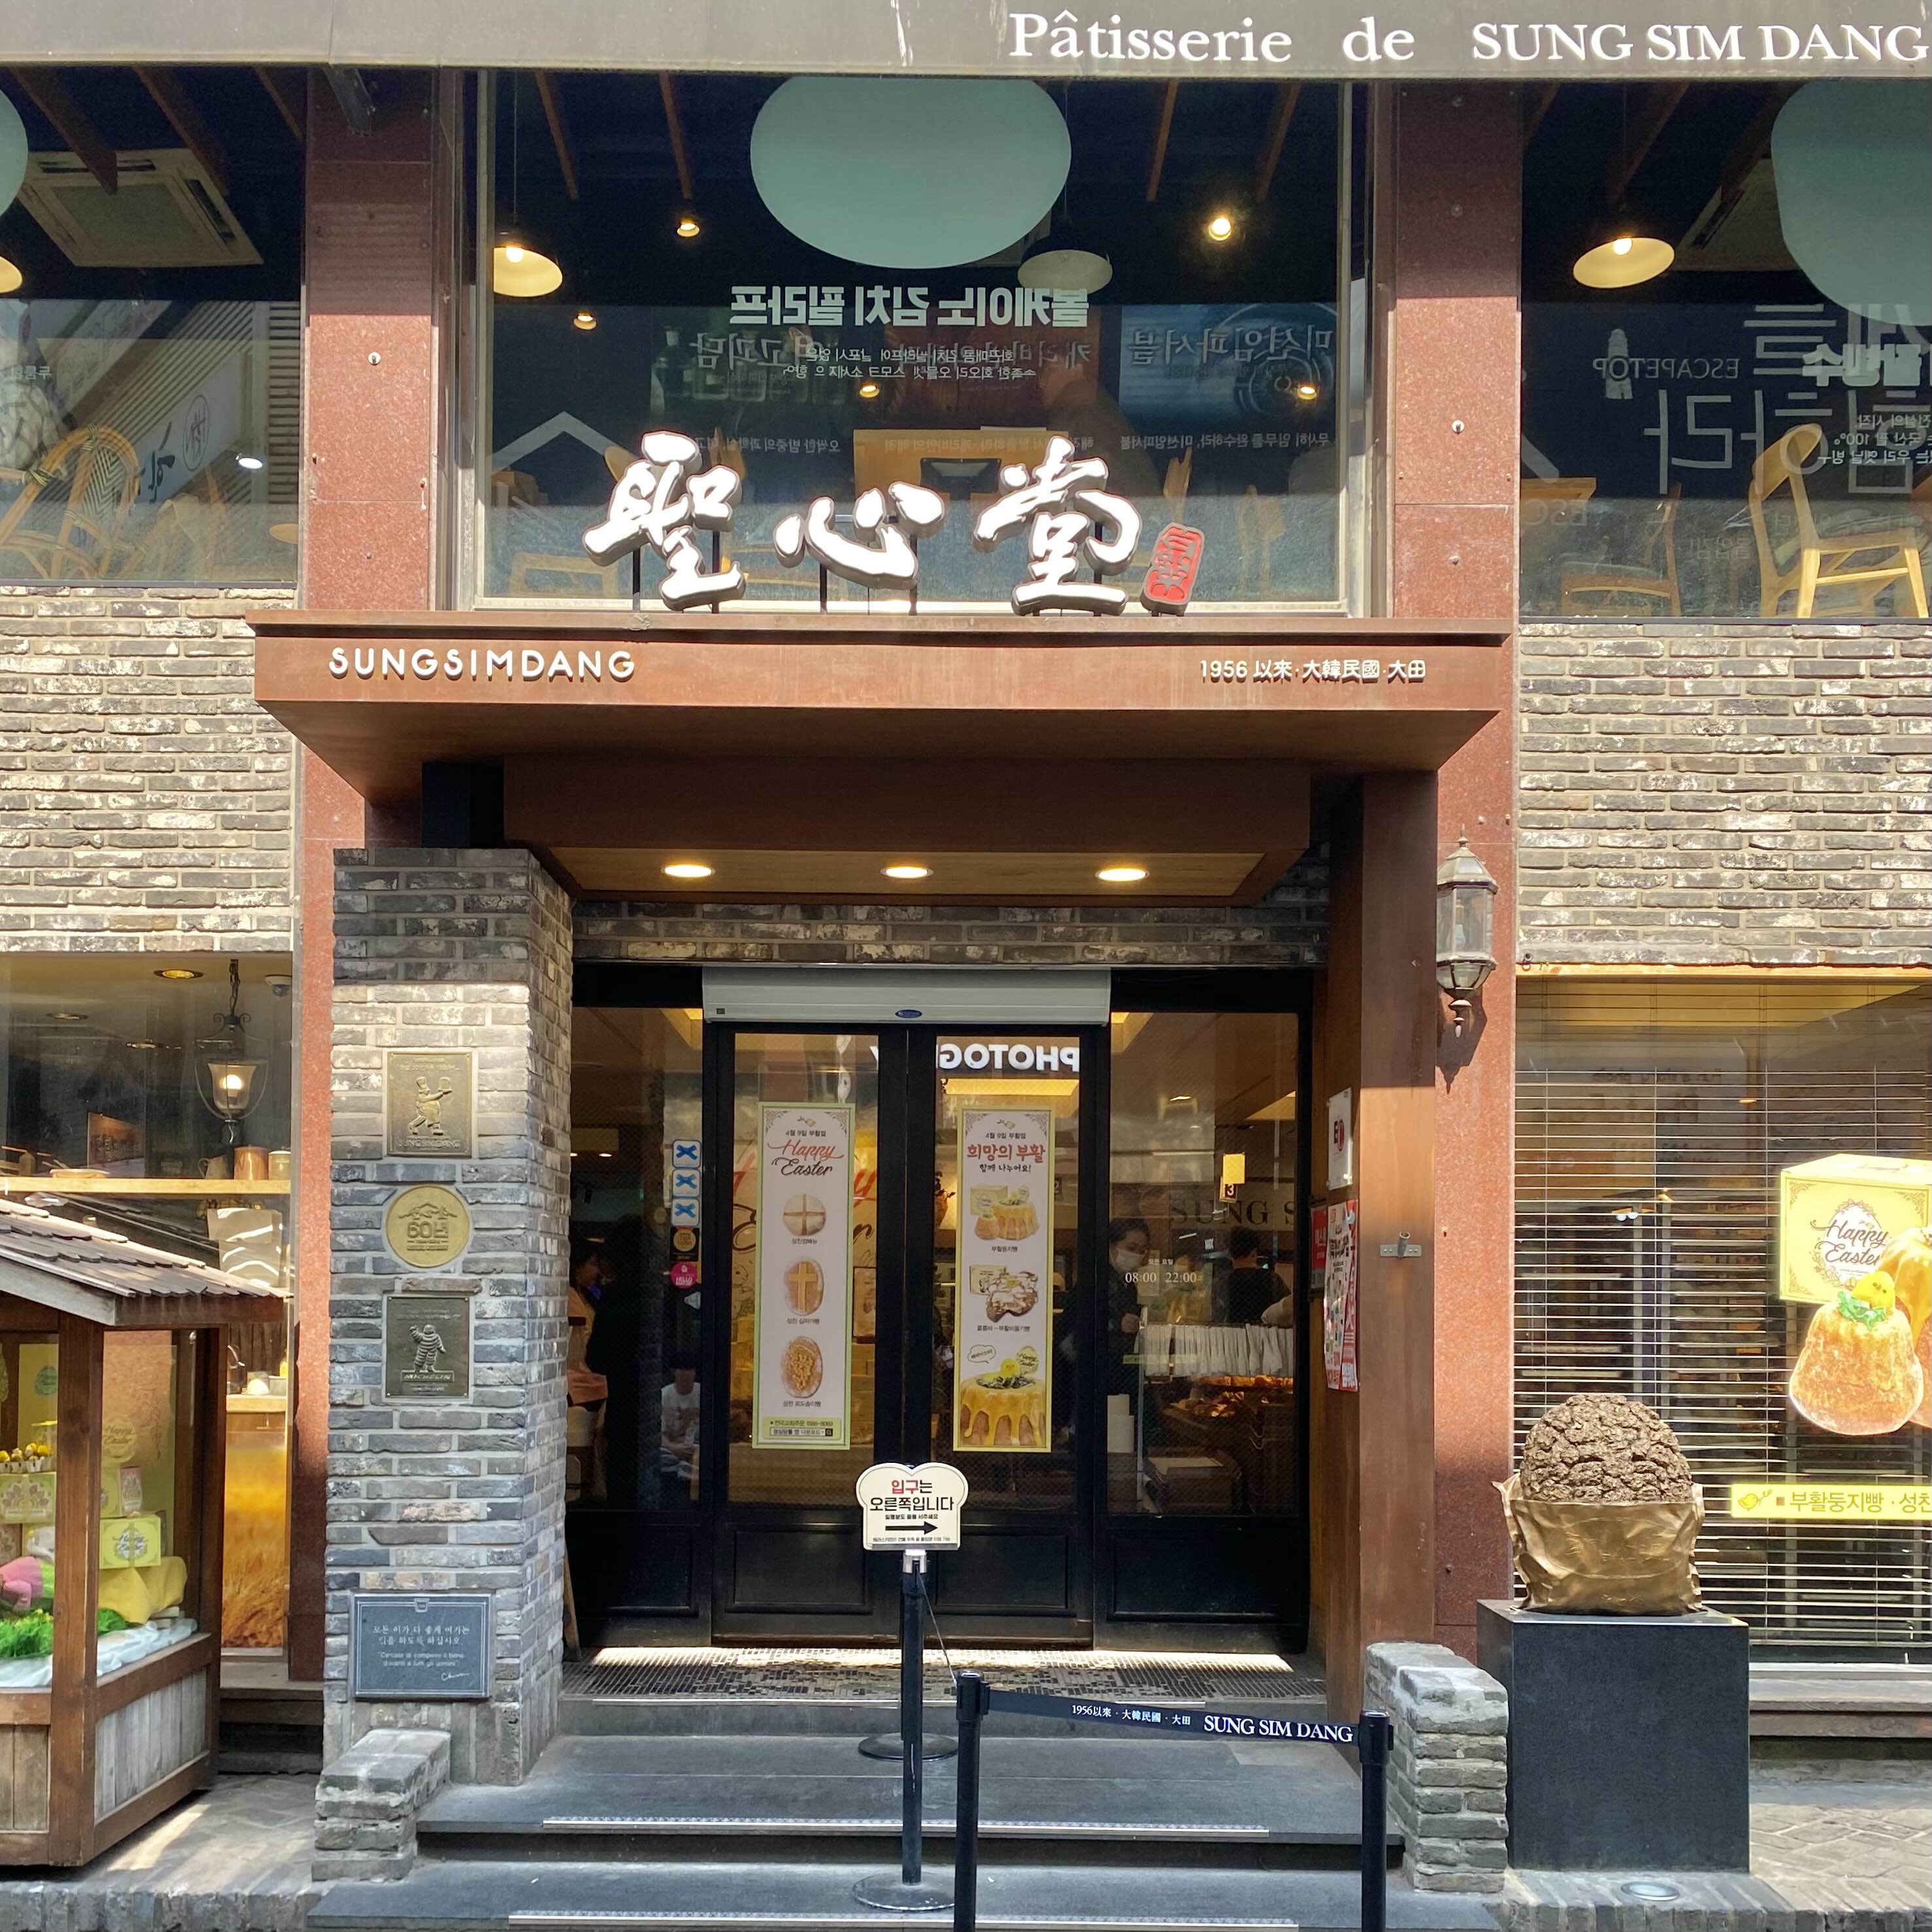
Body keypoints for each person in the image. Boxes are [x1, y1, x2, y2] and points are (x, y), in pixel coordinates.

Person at [1223, 1228, 1280, 1326]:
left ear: (1230, 1254)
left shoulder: (1222, 1283)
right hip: (1265, 1334)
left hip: (1229, 1334)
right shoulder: (1272, 1280)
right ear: (1254, 1252)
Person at [659, 1361, 701, 1493]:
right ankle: (684, 1470)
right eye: (682, 1370)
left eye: (690, 1370)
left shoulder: (703, 1392)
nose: (686, 1375)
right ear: (674, 1372)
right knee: (660, 1457)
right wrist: (674, 1447)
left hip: (698, 1449)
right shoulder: (664, 1395)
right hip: (672, 1450)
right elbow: (659, 1435)